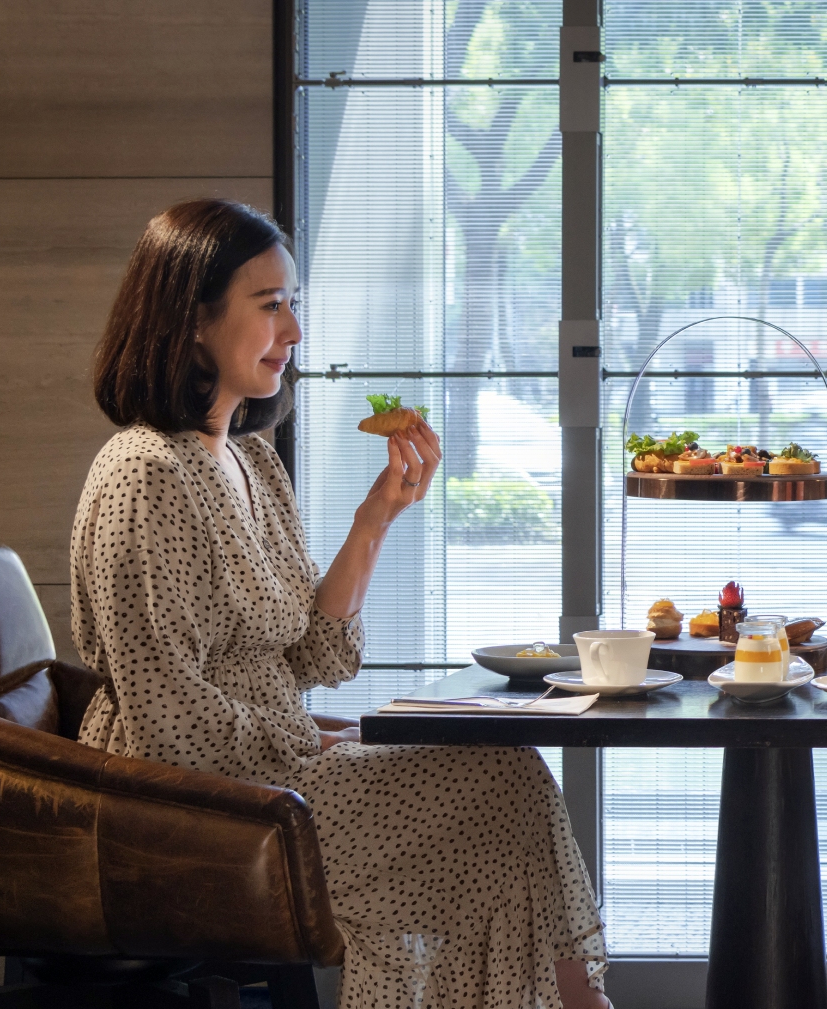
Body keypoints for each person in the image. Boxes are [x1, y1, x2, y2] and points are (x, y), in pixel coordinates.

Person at [72, 198, 609, 1009]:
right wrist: (308, 739)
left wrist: (376, 517)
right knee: (506, 784)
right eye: (271, 306)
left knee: (508, 781)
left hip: (278, 776)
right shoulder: (144, 474)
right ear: (192, 320)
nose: (293, 331)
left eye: (297, 305)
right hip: (195, 814)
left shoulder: (252, 463)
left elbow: (313, 659)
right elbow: (166, 721)